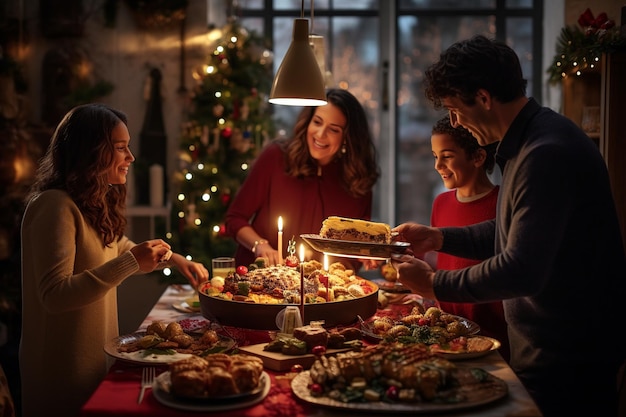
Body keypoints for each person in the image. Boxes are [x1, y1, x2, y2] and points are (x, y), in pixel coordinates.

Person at [391, 35, 626, 417]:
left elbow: (522, 269)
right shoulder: (528, 143)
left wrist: (435, 283)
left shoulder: (545, 153)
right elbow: (506, 232)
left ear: (483, 98)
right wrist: (438, 237)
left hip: (568, 360)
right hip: (550, 352)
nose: (454, 121)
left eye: (455, 109)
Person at [19, 103, 209, 417]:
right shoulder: (54, 206)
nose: (130, 157)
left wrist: (173, 258)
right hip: (61, 375)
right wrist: (131, 263)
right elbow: (54, 296)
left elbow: (116, 247)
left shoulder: (91, 200)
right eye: (120, 148)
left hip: (94, 364)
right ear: (91, 151)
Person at [225, 88, 380, 268]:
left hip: (324, 292)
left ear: (347, 138)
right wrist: (260, 245)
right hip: (257, 281)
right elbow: (235, 219)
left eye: (334, 130)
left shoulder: (358, 182)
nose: (320, 134)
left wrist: (366, 255)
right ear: (308, 121)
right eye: (317, 122)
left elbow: (354, 252)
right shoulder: (276, 157)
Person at [427, 115, 509, 362]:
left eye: (447, 156)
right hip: (446, 334)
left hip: (492, 337)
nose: (438, 165)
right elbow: (442, 262)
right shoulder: (440, 203)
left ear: (478, 157)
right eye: (435, 156)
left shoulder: (502, 206)